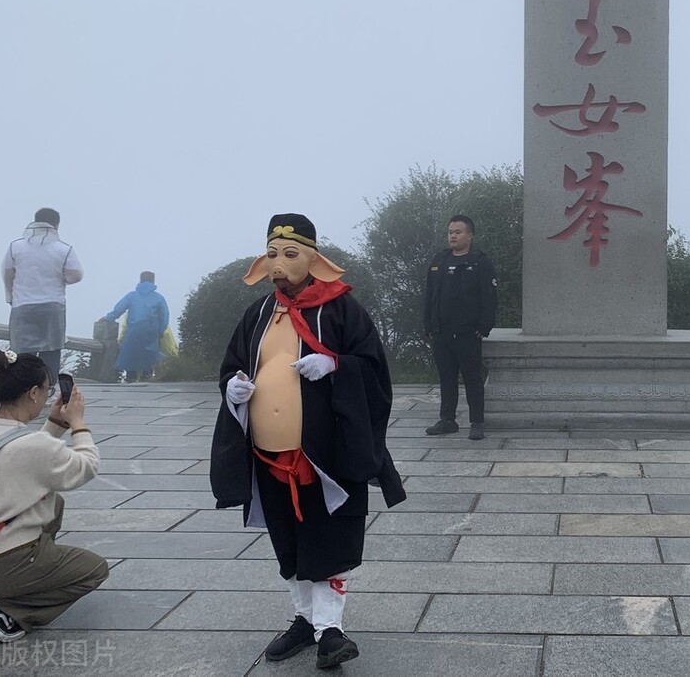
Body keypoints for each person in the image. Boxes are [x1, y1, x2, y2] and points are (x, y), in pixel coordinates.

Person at [209, 214, 405, 670]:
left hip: (325, 454)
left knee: (328, 537)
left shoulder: (342, 309)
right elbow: (233, 364)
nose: (279, 263)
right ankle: (302, 620)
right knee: (288, 539)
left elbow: (374, 369)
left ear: (315, 260)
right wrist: (232, 388)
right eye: (272, 254)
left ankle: (330, 629)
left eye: (290, 254)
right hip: (268, 453)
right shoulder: (257, 313)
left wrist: (336, 366)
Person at [0, 350, 108, 641]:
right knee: (93, 569)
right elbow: (85, 466)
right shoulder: (33, 446)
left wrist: (56, 424)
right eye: (47, 390)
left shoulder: (21, 439)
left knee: (52, 503)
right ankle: (9, 612)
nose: (48, 397)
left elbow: (24, 456)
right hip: (3, 563)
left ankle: (25, 578)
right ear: (33, 393)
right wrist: (78, 424)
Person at [422, 214, 497, 441]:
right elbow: (429, 296)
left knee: (472, 378)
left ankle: (476, 422)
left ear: (470, 235)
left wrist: (485, 326)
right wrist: (428, 324)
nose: (453, 236)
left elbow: (490, 297)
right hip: (441, 332)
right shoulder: (439, 261)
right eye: (450, 232)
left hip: (467, 332)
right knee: (446, 377)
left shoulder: (480, 262)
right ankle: (447, 420)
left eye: (458, 232)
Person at [1, 209, 84, 383]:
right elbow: (76, 275)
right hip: (52, 305)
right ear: (57, 224)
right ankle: (48, 390)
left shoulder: (15, 246)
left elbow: (8, 273)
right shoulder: (64, 249)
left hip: (22, 304)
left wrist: (10, 296)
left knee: (22, 351)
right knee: (51, 349)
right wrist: (62, 279)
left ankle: (22, 389)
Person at [105, 271, 170, 383]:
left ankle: (131, 377)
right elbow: (165, 316)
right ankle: (147, 376)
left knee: (131, 353)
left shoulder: (132, 296)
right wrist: (160, 331)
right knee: (149, 355)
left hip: (134, 330)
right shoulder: (159, 298)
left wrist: (108, 317)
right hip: (151, 331)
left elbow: (119, 309)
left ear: (140, 280)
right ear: (153, 281)